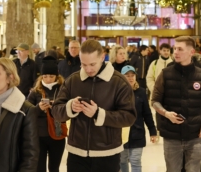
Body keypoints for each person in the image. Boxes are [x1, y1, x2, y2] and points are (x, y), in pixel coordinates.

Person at [52, 39, 137, 172]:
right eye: (84, 64)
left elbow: (129, 117)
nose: (88, 69)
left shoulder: (119, 82)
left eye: (92, 64)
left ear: (103, 57)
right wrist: (70, 107)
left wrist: (98, 114)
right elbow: (56, 111)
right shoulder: (73, 80)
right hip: (77, 153)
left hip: (108, 153)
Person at [151, 36, 201, 172]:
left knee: (194, 170)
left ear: (191, 52)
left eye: (180, 49)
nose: (175, 52)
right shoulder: (165, 74)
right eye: (174, 48)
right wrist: (166, 114)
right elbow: (155, 101)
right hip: (171, 136)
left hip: (195, 135)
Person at [27, 56, 66, 172]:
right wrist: (38, 108)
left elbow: (68, 111)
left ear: (57, 76)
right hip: (39, 136)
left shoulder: (63, 90)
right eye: (45, 76)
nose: (48, 79)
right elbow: (27, 113)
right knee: (39, 168)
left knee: (54, 168)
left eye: (51, 76)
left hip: (57, 135)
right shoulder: (35, 92)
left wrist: (55, 107)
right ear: (41, 76)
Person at [120, 65, 157, 172]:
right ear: (122, 77)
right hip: (122, 134)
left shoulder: (141, 92)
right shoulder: (117, 92)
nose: (130, 78)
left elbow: (147, 113)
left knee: (135, 160)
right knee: (122, 160)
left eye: (132, 75)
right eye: (127, 76)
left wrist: (153, 131)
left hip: (138, 132)